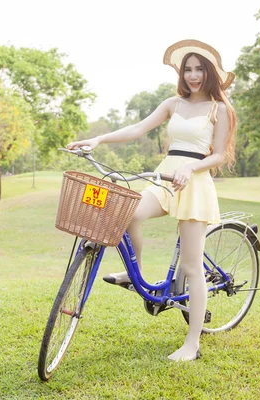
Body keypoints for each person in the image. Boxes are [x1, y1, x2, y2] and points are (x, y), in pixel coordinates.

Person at [67, 39, 237, 362]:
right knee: (128, 210)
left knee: (191, 265)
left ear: (210, 72)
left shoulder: (220, 109)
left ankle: (192, 344)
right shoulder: (173, 103)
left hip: (195, 181)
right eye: (187, 69)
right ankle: (136, 274)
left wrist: (191, 166)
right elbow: (138, 128)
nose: (193, 75)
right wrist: (98, 138)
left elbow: (217, 156)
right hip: (165, 176)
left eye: (199, 68)